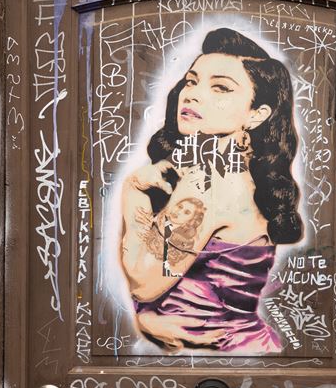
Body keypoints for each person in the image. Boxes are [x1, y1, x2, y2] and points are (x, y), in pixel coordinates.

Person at [119, 28, 302, 353]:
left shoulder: (208, 183)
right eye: (192, 81)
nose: (192, 95)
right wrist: (149, 320)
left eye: (221, 87)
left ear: (256, 114)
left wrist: (132, 191)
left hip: (220, 363)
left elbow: (143, 284)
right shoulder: (245, 177)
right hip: (240, 356)